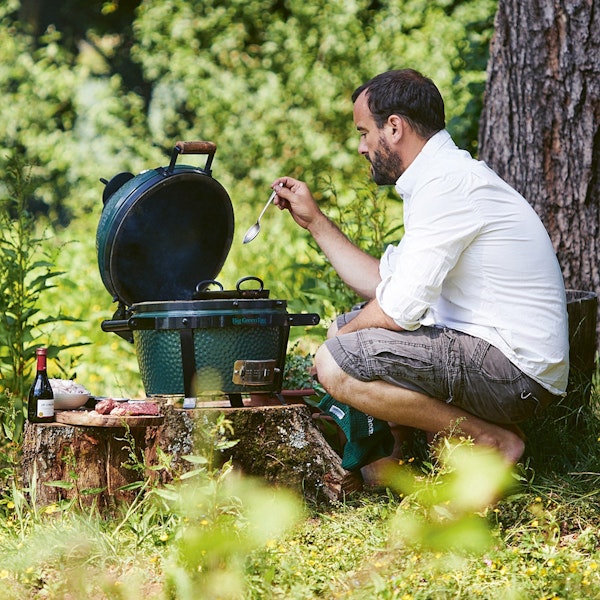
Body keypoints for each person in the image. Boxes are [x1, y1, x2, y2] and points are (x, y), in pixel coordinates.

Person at [271, 68, 569, 467]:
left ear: (393, 127)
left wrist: (335, 346)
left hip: (513, 371)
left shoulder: (447, 184)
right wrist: (316, 222)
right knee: (343, 337)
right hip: (499, 358)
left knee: (335, 360)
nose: (361, 147)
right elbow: (386, 285)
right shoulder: (439, 178)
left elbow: (398, 310)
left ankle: (491, 440)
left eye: (364, 132)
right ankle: (388, 468)